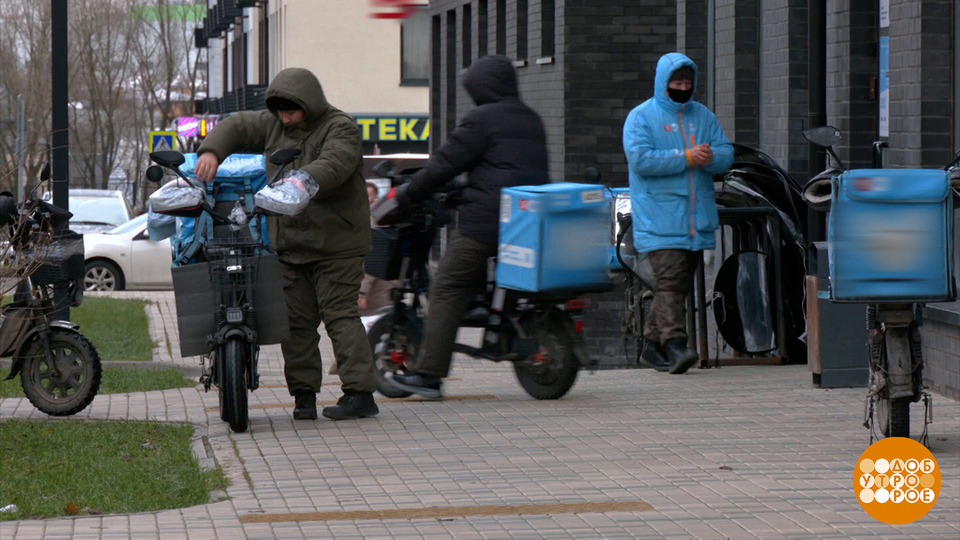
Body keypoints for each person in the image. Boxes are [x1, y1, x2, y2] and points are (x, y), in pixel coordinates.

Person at [193, 67, 379, 421]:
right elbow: (236, 126)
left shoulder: (340, 127)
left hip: (337, 244)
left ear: (308, 104)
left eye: (291, 110)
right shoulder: (275, 125)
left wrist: (304, 181)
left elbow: (335, 162)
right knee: (295, 325)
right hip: (291, 245)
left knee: (339, 316)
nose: (284, 118)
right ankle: (303, 397)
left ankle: (360, 394)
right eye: (279, 111)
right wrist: (212, 151)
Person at [382, 54, 549, 399]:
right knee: (476, 278)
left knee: (447, 285)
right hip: (527, 220)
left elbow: (444, 164)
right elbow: (505, 168)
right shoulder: (530, 117)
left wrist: (408, 195)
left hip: (487, 221)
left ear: (478, 87)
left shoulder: (481, 119)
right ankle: (492, 318)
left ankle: (428, 375)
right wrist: (464, 191)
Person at [622, 52, 733, 375]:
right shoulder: (641, 117)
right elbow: (641, 160)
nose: (683, 87)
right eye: (677, 82)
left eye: (687, 83)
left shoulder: (703, 116)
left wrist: (709, 158)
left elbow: (725, 154)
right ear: (663, 83)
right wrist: (687, 156)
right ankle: (675, 343)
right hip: (658, 216)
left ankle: (652, 348)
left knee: (677, 284)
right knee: (670, 281)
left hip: (695, 218)